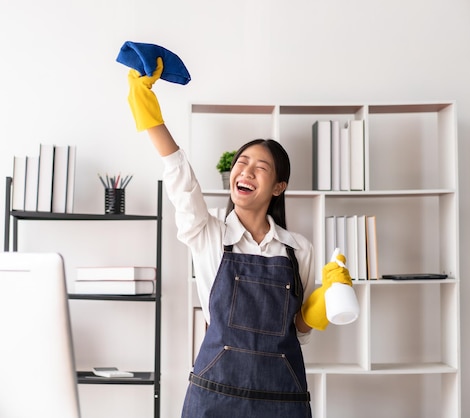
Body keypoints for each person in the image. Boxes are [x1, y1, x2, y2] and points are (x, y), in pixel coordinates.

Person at [125, 57, 352, 418]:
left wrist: (322, 303)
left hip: (282, 401)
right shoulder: (207, 231)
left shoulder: (298, 249)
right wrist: (146, 107)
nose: (245, 171)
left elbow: (299, 331)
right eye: (241, 163)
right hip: (215, 396)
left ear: (279, 187)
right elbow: (179, 173)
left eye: (260, 167)